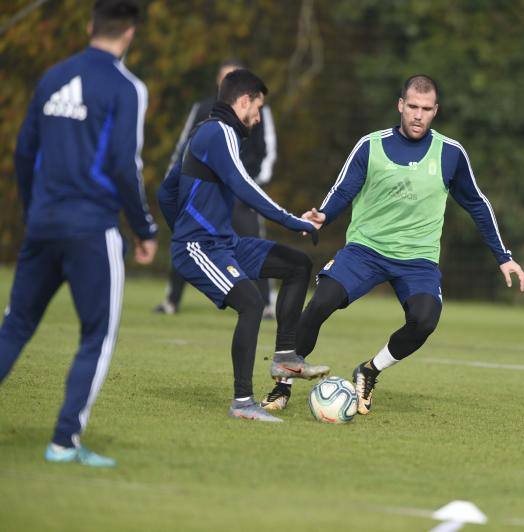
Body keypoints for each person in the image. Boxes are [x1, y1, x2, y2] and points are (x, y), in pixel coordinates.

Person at [264, 74, 524, 415]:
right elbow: (344, 188)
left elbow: (477, 204)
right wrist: (323, 216)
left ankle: (369, 371)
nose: (418, 115)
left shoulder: (450, 153)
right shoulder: (371, 145)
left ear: (436, 111)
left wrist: (503, 257)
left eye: (426, 109)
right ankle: (281, 386)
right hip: (365, 250)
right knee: (320, 304)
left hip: (418, 260)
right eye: (413, 107)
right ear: (400, 106)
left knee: (425, 320)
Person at [0, 0, 157, 467]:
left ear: (91, 26)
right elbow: (123, 166)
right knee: (96, 336)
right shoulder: (127, 88)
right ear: (128, 34)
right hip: (91, 228)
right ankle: (64, 441)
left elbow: (24, 152)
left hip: (44, 224)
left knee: (16, 325)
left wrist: (35, 211)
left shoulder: (52, 76)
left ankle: (66, 440)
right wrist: (144, 228)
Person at [157, 69, 330, 423]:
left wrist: (183, 227)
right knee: (251, 303)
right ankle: (242, 402)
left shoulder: (211, 133)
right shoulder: (217, 132)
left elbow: (165, 191)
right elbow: (243, 185)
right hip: (202, 247)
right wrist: (292, 220)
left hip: (225, 243)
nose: (258, 116)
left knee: (297, 265)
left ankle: (285, 355)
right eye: (258, 108)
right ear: (244, 100)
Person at [155, 60, 279, 318]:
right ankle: (171, 300)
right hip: (207, 197)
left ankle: (268, 302)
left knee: (255, 242)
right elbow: (183, 148)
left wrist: (249, 187)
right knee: (191, 239)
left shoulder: (258, 112)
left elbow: (267, 152)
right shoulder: (202, 110)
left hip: (243, 196)